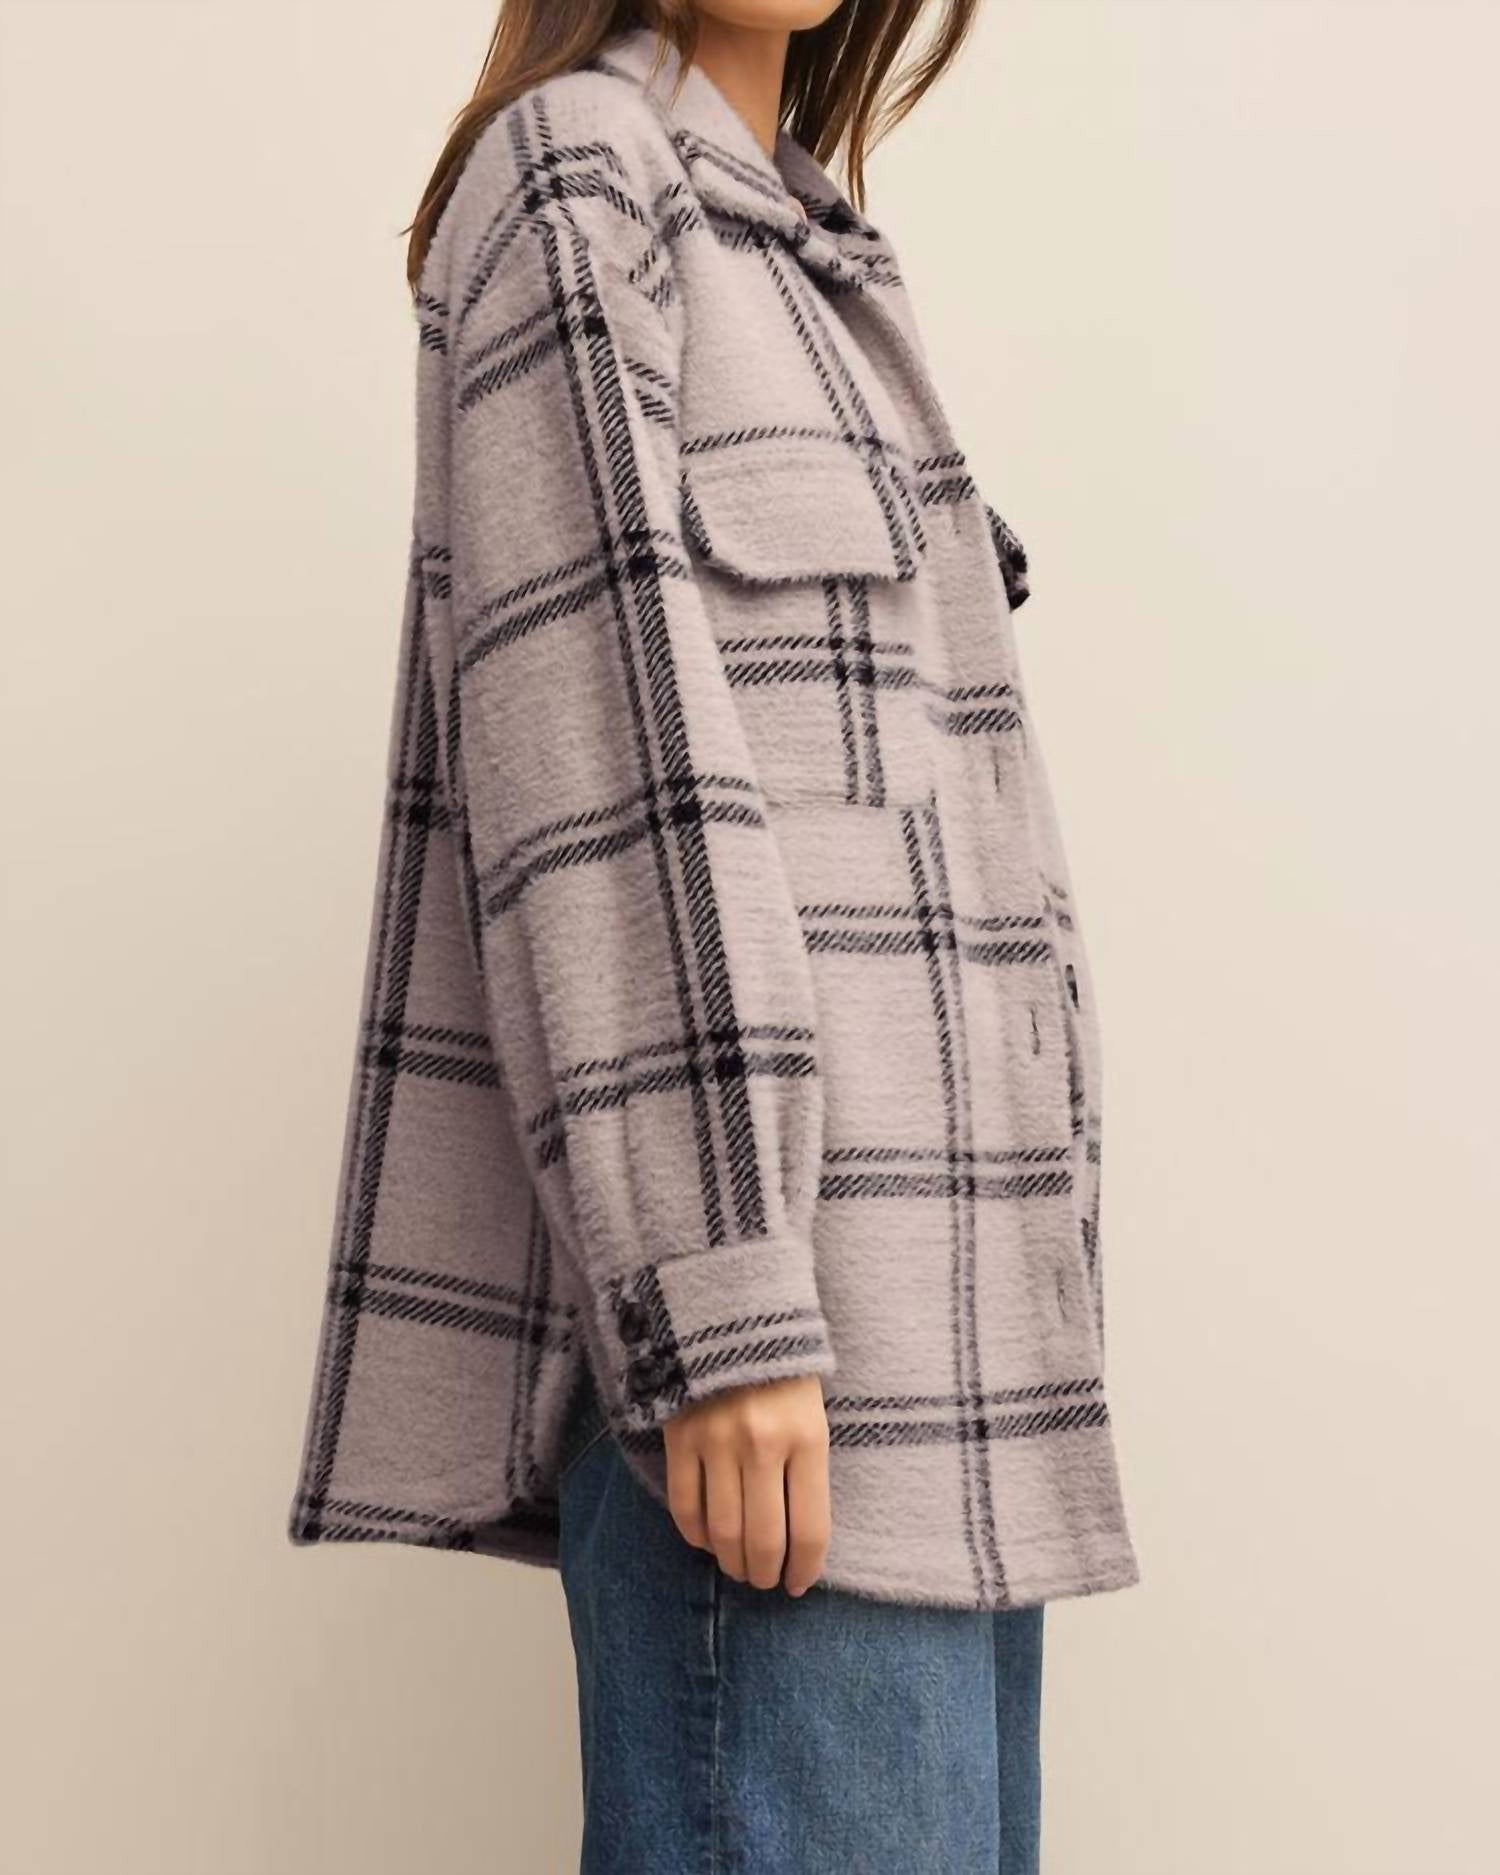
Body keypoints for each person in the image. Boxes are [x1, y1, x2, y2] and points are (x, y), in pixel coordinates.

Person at [286, 5, 1141, 1868]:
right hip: (782, 1403)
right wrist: (723, 1298)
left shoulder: (813, 250)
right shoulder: (579, 177)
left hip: (951, 1403)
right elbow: (596, 766)